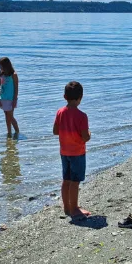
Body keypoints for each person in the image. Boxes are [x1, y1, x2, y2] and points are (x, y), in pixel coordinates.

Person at [53, 81, 91, 221]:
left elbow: (55, 131)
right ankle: (75, 209)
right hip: (77, 153)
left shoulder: (60, 112)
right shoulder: (82, 116)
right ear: (81, 97)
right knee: (75, 182)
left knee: (66, 180)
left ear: (64, 96)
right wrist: (89, 134)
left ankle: (67, 207)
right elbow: (85, 137)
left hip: (64, 152)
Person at [0, 57, 19, 138]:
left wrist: (14, 100)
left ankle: (17, 131)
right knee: (6, 116)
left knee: (10, 116)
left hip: (11, 98)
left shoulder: (14, 75)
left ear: (6, 65)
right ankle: (9, 133)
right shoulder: (1, 74)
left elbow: (16, 88)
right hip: (3, 98)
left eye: (1, 66)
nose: (0, 68)